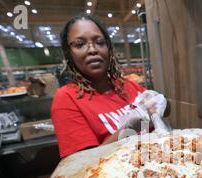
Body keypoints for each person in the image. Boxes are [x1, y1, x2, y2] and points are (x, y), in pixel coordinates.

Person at [51, 13, 169, 158]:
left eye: (100, 42)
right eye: (80, 44)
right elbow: (83, 163)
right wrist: (127, 129)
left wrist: (162, 102)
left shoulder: (127, 86)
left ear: (108, 48)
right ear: (69, 53)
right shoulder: (67, 98)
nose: (93, 49)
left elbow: (159, 114)